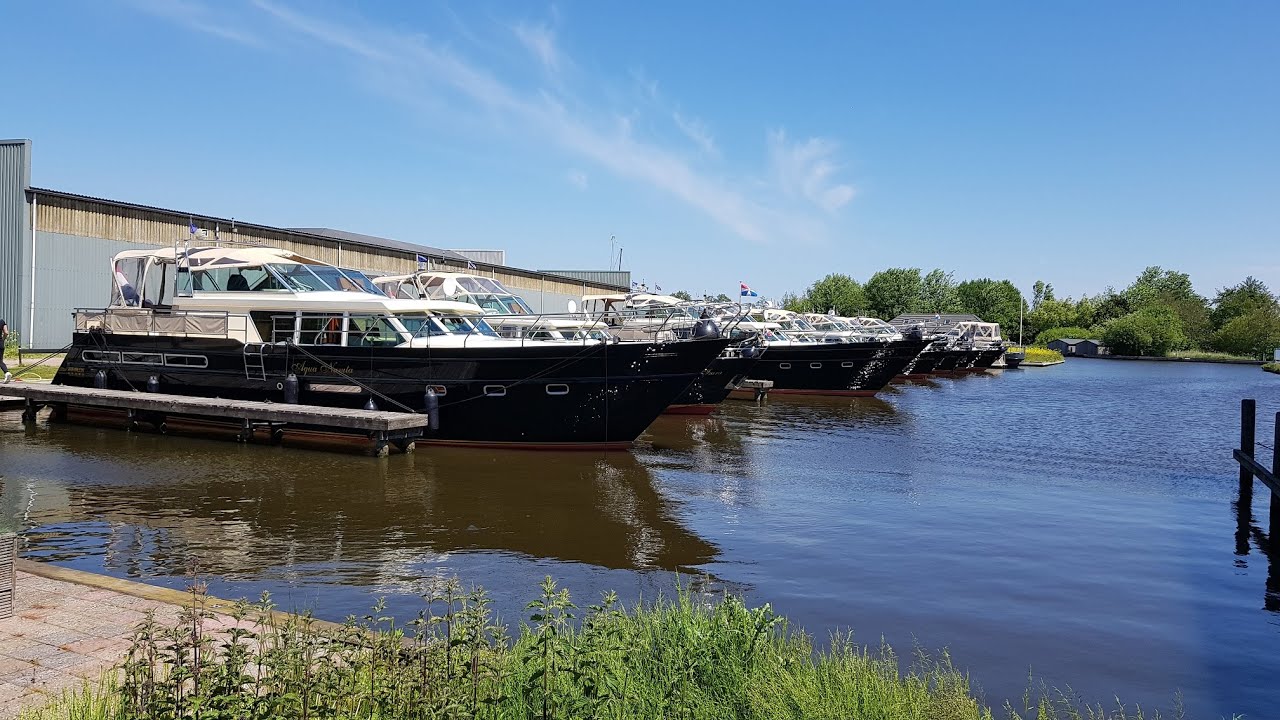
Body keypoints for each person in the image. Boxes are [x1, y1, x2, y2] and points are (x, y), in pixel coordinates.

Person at [1, 318, 10, 383]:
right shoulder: (2, 321)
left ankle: (6, 372)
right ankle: (6, 373)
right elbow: (6, 333)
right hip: (0, 344)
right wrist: (3, 340)